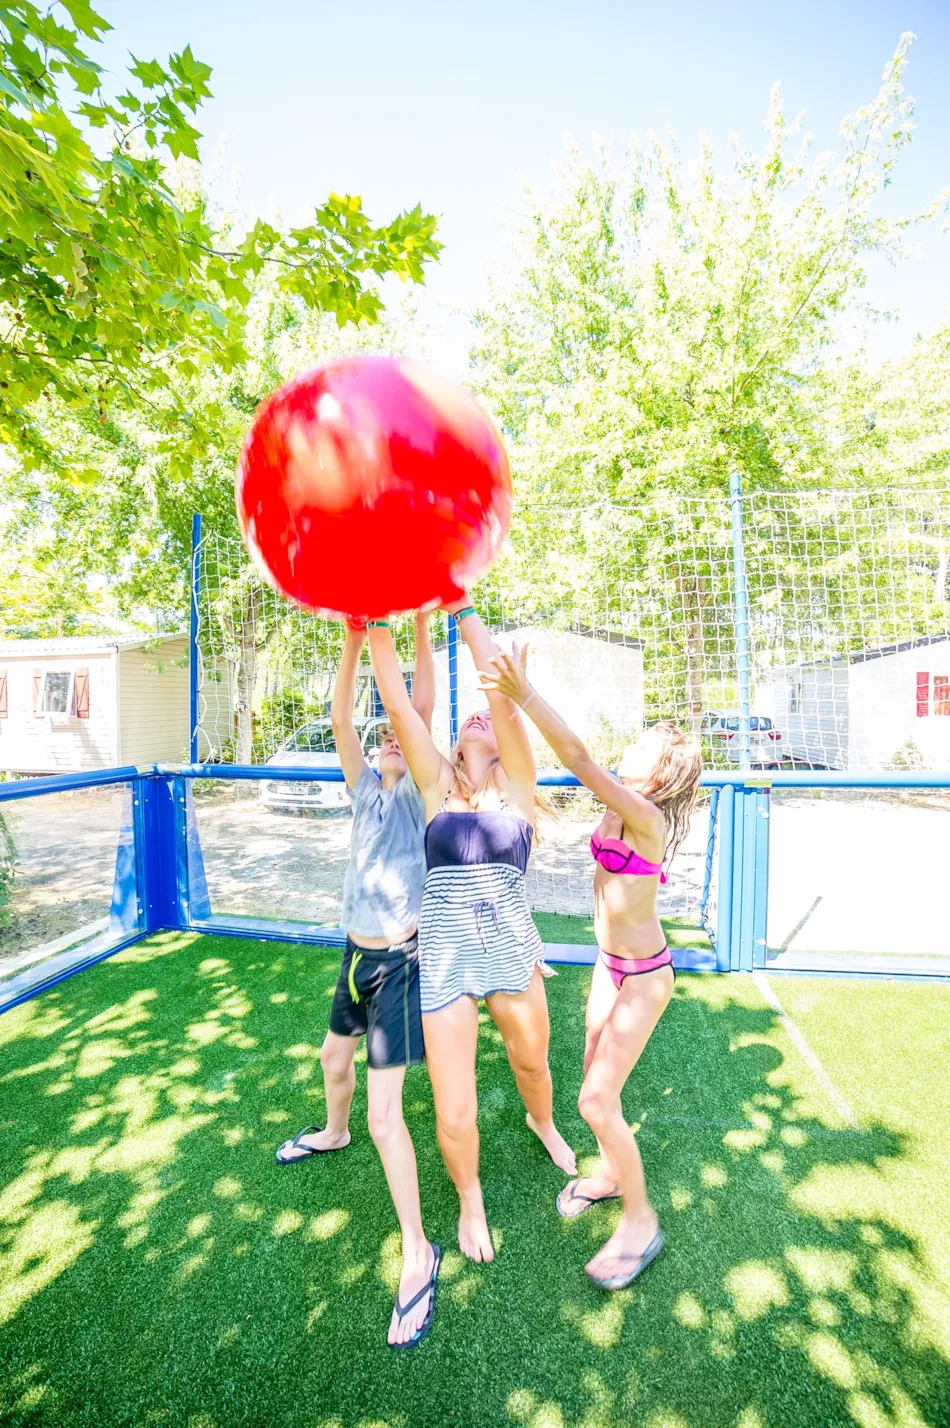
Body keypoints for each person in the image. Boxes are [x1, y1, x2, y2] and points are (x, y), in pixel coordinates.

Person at [480, 643, 702, 1290]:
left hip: (645, 977)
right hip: (611, 965)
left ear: (660, 774)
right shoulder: (619, 800)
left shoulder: (644, 814)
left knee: (596, 1100)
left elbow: (575, 757)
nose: (630, 748)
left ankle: (641, 1222)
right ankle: (607, 1175)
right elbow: (579, 764)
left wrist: (524, 693)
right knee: (592, 1084)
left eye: (645, 746)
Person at [366, 599, 576, 1267]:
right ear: (454, 742)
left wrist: (461, 606)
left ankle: (541, 1121)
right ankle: (471, 1200)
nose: (482, 717)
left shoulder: (516, 787)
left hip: (513, 952)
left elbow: (500, 691)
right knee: (454, 1115)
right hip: (447, 961)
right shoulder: (435, 788)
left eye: (489, 715)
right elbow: (400, 705)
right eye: (469, 720)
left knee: (532, 1065)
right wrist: (377, 619)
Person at [275, 613, 441, 1350]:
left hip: (400, 965)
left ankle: (418, 1251)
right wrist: (349, 638)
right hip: (353, 954)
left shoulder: (418, 793)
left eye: (394, 737)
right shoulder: (365, 788)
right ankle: (333, 1134)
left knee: (388, 1118)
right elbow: (342, 715)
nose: (383, 739)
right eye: (380, 737)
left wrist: (420, 627)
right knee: (330, 1062)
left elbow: (421, 708)